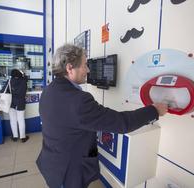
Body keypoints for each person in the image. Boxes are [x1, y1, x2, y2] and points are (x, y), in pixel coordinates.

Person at [36, 44, 168, 188]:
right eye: (85, 65)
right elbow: (122, 123)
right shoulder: (78, 100)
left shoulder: (48, 91)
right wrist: (154, 110)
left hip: (51, 164)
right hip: (68, 173)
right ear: (69, 68)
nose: (88, 69)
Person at [1, 69, 29, 143]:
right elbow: (26, 77)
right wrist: (23, 73)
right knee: (21, 120)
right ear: (20, 74)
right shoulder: (24, 81)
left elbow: (2, 90)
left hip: (11, 103)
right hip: (21, 103)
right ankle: (23, 137)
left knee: (13, 120)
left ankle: (15, 136)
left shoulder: (10, 81)